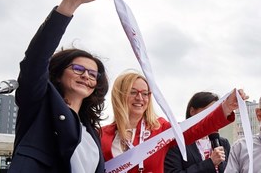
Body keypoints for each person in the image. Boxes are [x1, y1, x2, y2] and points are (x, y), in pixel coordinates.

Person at [9, 0, 109, 172]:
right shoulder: (39, 105)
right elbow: (35, 59)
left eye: (93, 74)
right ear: (57, 74)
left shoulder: (91, 131)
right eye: (78, 69)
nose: (86, 76)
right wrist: (71, 3)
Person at [101, 72, 247, 173]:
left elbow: (198, 129)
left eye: (145, 93)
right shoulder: (101, 135)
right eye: (133, 92)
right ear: (119, 95)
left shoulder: (160, 129)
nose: (140, 98)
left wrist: (226, 107)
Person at [165, 92, 231, 173]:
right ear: (192, 111)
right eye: (208, 110)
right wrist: (210, 163)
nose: (212, 115)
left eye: (215, 111)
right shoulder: (177, 142)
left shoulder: (222, 143)